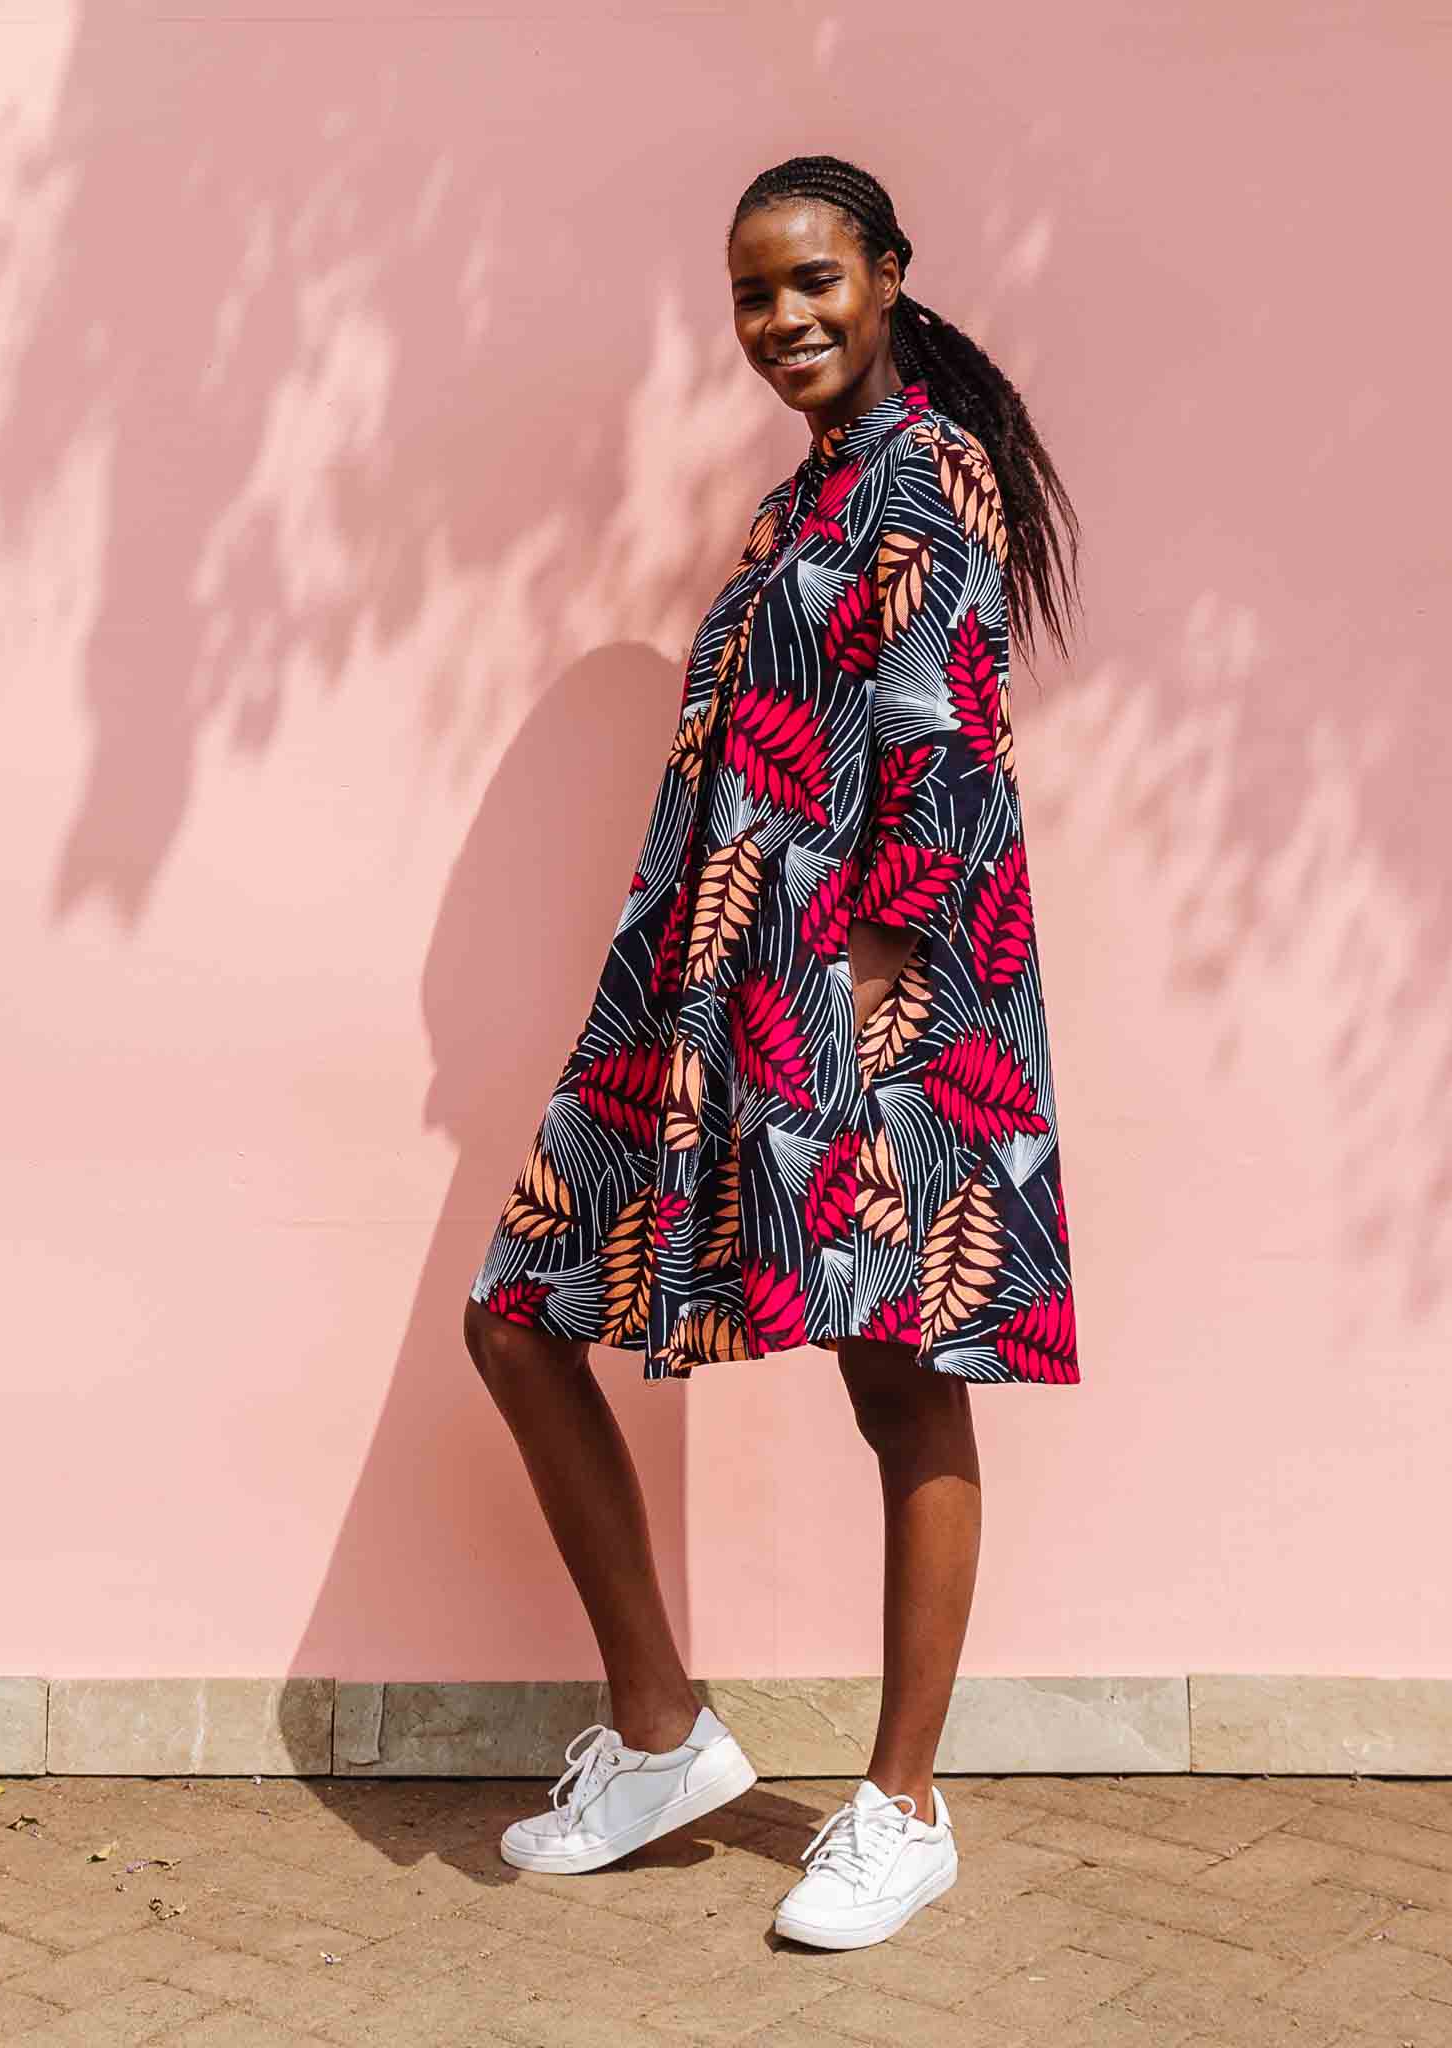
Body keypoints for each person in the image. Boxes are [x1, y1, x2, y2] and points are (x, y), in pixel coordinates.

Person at [464, 153, 1084, 1951]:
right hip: (715, 988)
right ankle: (662, 1733)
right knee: (520, 1318)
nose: (784, 317)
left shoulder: (925, 480)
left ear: (890, 273)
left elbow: (945, 756)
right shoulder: (802, 499)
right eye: (753, 293)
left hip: (882, 998)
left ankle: (903, 1809)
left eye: (815, 278)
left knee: (903, 1371)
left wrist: (866, 1040)